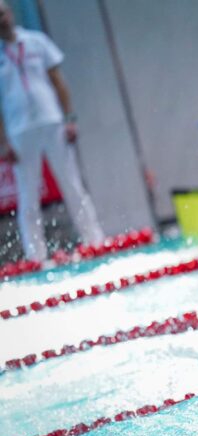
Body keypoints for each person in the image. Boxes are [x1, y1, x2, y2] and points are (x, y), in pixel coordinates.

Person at [0, 1, 103, 262]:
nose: (1, 20)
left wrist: (69, 118)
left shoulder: (36, 42)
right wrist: (3, 143)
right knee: (28, 195)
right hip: (19, 130)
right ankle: (36, 256)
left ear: (10, 14)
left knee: (72, 184)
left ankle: (95, 241)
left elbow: (59, 81)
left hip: (51, 120)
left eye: (2, 14)